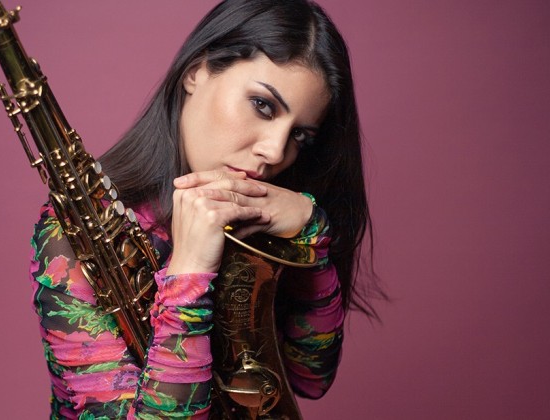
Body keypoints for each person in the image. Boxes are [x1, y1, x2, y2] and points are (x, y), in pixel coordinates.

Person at [29, 0, 377, 417]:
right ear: (196, 71)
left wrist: (311, 235)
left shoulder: (265, 222)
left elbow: (308, 379)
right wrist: (189, 275)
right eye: (263, 105)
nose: (274, 152)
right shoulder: (73, 234)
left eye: (299, 135)